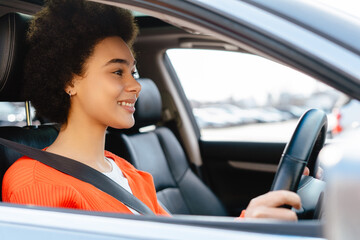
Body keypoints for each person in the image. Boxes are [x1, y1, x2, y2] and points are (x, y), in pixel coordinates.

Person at [2, 0, 302, 220]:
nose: (136, 86)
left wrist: (247, 225)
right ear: (69, 81)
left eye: (134, 71)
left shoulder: (127, 171)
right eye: (117, 72)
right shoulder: (33, 182)